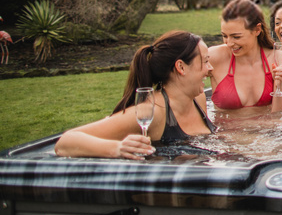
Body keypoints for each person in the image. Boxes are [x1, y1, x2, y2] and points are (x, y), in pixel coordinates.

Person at [54, 31, 215, 159]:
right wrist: (117, 148)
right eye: (205, 61)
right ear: (181, 66)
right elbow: (66, 142)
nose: (210, 68)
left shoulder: (197, 100)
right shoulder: (152, 112)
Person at [208, 0, 282, 113]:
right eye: (225, 36)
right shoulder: (213, 57)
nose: (229, 43)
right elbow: (187, 89)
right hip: (226, 131)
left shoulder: (280, 59)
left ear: (257, 30)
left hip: (268, 131)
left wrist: (279, 86)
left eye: (236, 37)